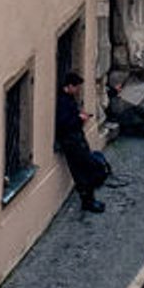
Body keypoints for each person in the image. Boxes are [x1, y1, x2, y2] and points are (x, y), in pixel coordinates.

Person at [56, 72, 108, 213]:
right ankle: (88, 201)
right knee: (83, 171)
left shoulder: (68, 98)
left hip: (76, 139)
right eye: (77, 87)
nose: (79, 90)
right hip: (71, 142)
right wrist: (80, 119)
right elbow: (63, 124)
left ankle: (89, 199)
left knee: (85, 168)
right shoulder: (62, 102)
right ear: (70, 86)